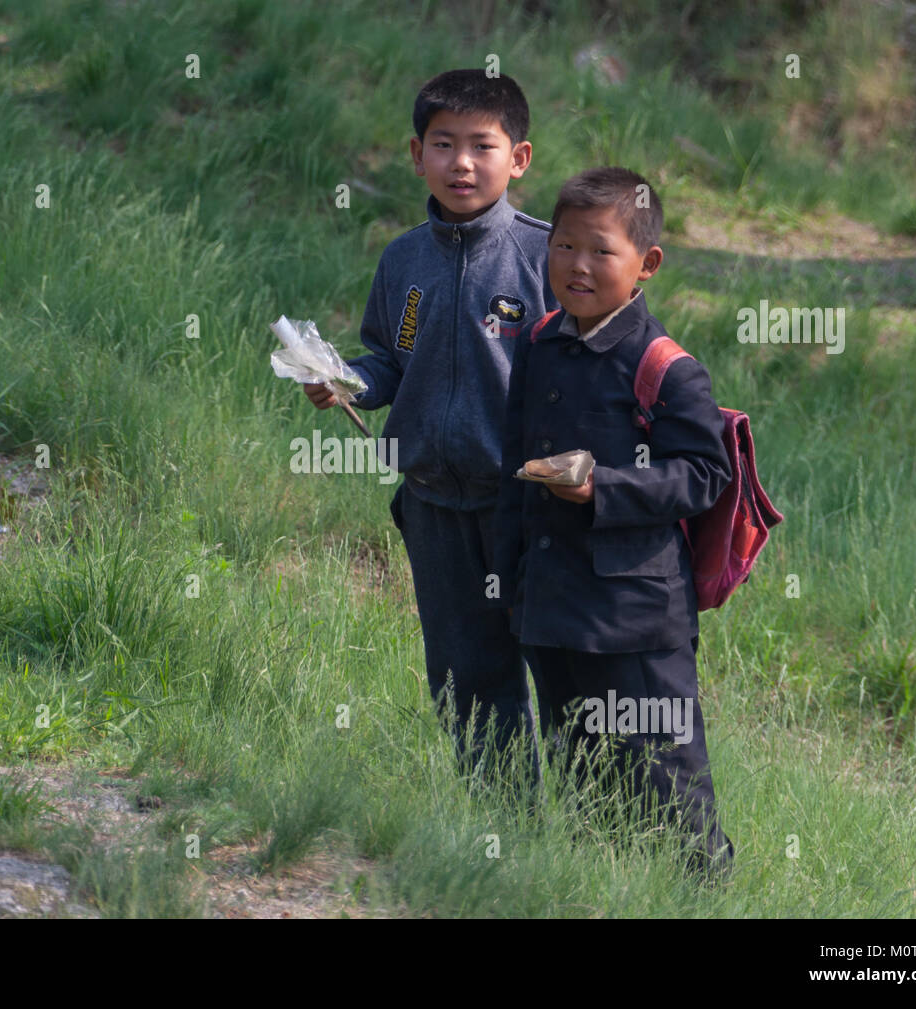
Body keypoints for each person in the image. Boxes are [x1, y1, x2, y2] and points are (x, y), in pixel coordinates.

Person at [305, 68, 558, 783]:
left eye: (483, 145)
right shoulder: (404, 260)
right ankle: (503, 831)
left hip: (527, 507)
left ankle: (602, 830)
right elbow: (391, 358)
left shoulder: (545, 257)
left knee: (564, 669)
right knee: (466, 678)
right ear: (416, 155)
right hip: (433, 505)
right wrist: (345, 381)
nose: (463, 163)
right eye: (444, 145)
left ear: (520, 158)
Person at [491, 166, 734, 875]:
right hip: (551, 605)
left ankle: (704, 893)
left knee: (668, 780)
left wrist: (604, 487)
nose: (578, 266)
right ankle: (605, 892)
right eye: (564, 247)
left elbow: (703, 474)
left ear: (647, 265)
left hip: (636, 616)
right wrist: (509, 581)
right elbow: (514, 462)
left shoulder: (667, 366)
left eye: (601, 250)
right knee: (584, 772)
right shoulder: (538, 341)